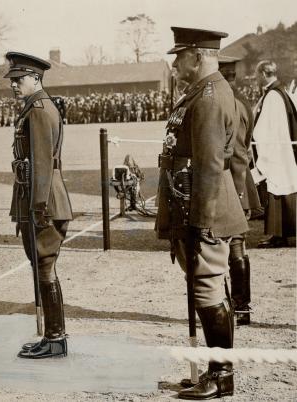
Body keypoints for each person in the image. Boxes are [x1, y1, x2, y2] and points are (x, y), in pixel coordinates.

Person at [155, 27, 249, 399]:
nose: (175, 64)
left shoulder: (209, 97)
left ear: (198, 55)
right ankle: (213, 368)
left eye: (179, 57)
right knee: (206, 286)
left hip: (205, 206)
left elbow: (209, 165)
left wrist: (200, 221)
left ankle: (221, 374)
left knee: (207, 287)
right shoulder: (200, 92)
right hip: (195, 203)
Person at [4, 52, 73, 358]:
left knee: (45, 269)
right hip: (37, 200)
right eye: (13, 81)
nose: (14, 86)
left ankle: (56, 339)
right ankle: (51, 336)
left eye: (19, 80)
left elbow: (43, 165)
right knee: (41, 269)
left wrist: (39, 208)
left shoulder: (40, 110)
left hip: (45, 202)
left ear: (35, 78)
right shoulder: (33, 108)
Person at [219, 56, 261, 325]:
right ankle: (242, 306)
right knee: (238, 247)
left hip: (228, 183)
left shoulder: (222, 103)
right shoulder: (244, 102)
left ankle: (233, 307)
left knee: (222, 248)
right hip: (241, 182)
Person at [253, 60, 297, 248]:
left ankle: (277, 234)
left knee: (276, 190)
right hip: (283, 148)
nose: (256, 79)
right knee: (285, 188)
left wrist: (255, 141)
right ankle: (284, 233)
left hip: (276, 150)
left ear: (263, 73)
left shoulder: (272, 96)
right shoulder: (281, 92)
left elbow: (264, 128)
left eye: (257, 75)